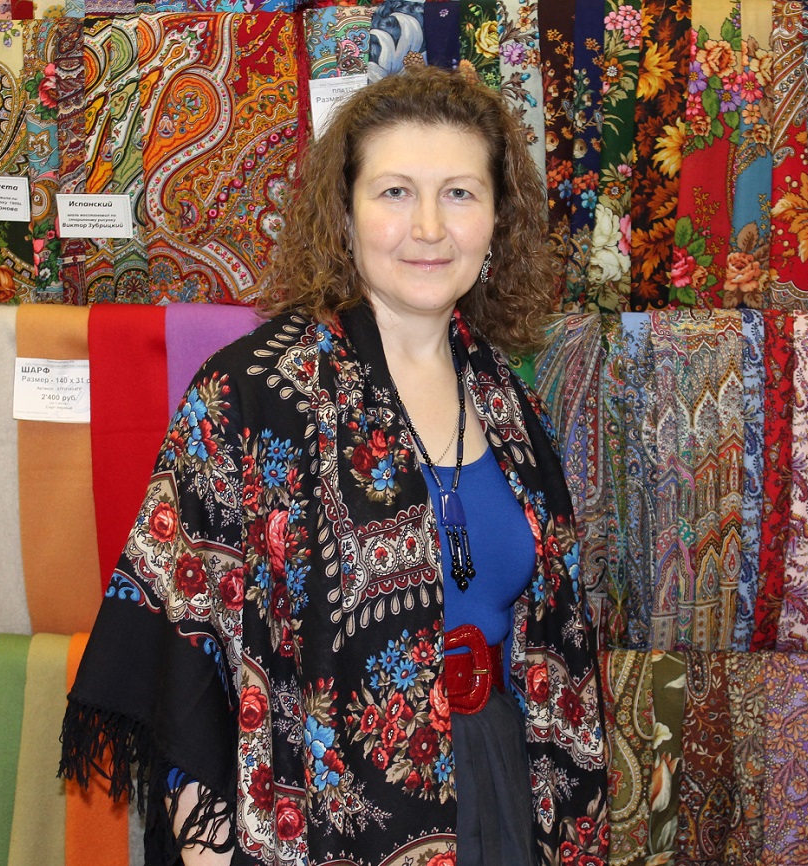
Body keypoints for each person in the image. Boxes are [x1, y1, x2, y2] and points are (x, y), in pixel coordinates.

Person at [60, 65, 609, 866]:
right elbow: (182, 642)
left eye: (459, 193)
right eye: (395, 193)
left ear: (498, 220)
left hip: (498, 784)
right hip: (318, 821)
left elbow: (552, 635)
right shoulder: (252, 395)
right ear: (344, 215)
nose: (429, 227)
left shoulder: (506, 399)